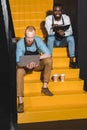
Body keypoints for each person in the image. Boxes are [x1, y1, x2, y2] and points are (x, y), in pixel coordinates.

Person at [16, 26, 53, 113]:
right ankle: (20, 102)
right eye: (28, 37)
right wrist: (27, 64)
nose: (30, 40)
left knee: (49, 61)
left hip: (36, 64)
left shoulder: (38, 40)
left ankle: (45, 87)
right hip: (25, 66)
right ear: (25, 35)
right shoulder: (20, 44)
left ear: (34, 35)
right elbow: (18, 61)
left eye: (32, 37)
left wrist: (37, 58)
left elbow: (48, 53)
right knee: (18, 71)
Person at [45, 3, 77, 68]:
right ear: (53, 11)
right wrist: (54, 29)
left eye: (59, 10)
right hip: (54, 41)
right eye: (55, 10)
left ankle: (72, 60)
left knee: (71, 38)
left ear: (62, 11)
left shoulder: (66, 18)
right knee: (50, 38)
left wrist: (64, 33)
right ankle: (49, 61)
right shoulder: (48, 18)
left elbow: (70, 31)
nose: (57, 12)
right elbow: (49, 33)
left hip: (63, 40)